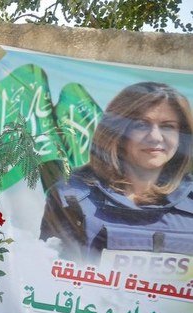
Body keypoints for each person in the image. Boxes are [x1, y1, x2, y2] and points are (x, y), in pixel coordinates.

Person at [40, 82, 193, 262]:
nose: (155, 137)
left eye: (167, 126)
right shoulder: (70, 197)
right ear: (117, 132)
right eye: (141, 125)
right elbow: (48, 276)